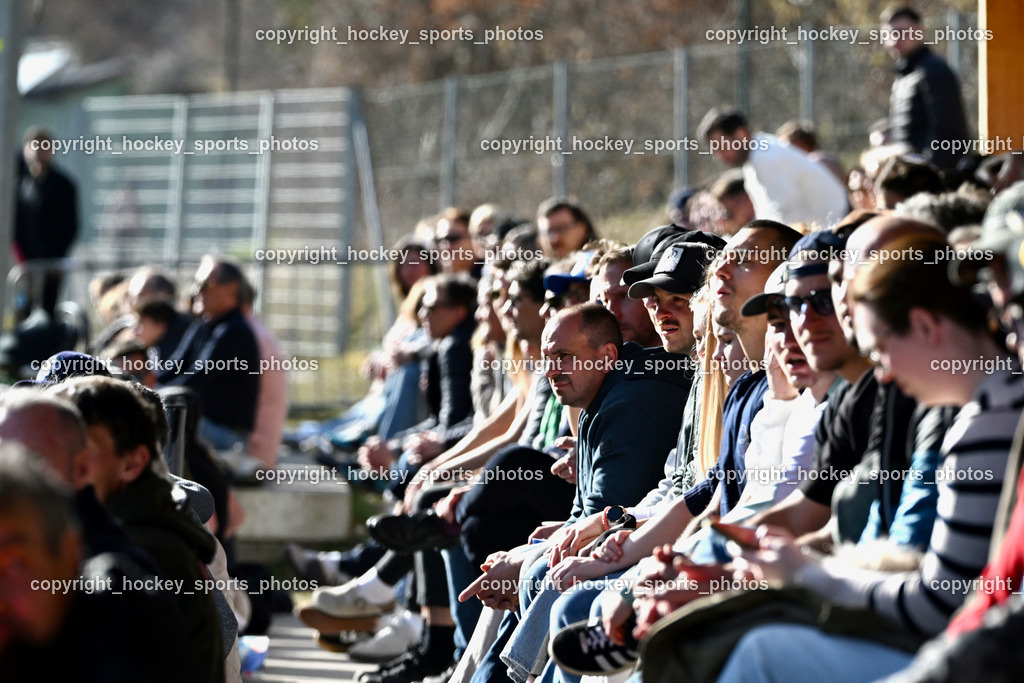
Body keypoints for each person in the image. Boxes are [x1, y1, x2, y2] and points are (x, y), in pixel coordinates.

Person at [713, 232, 1022, 683]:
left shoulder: (989, 418)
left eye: (881, 350)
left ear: (927, 327)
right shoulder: (989, 405)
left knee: (760, 652)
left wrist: (806, 574)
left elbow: (935, 606)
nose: (886, 373)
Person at [49, 376, 225, 683]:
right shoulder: (129, 526)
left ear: (132, 464)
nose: (59, 465)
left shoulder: (141, 557)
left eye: (83, 451)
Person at [158, 256, 261, 451]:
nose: (196, 291)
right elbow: (172, 368)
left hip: (228, 437)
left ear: (231, 288)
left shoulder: (235, 330)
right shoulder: (203, 324)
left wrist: (151, 397)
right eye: (195, 283)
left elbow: (195, 378)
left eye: (205, 284)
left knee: (165, 416)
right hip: (205, 426)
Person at [698, 108, 848, 228]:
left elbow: (784, 215)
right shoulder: (758, 154)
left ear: (741, 134)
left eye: (721, 145)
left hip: (832, 235)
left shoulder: (765, 157)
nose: (719, 156)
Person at [882, 6, 969, 171]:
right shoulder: (904, 76)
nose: (895, 40)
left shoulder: (933, 70)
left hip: (932, 178)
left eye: (902, 32)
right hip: (912, 173)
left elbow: (947, 130)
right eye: (889, 34)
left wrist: (930, 173)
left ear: (919, 32)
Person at [13, 127, 78, 318]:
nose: (39, 152)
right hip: (23, 261)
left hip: (51, 263)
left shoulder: (63, 185)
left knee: (48, 310)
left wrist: (57, 258)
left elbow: (70, 226)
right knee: (21, 308)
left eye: (44, 146)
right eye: (34, 146)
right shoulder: (19, 185)